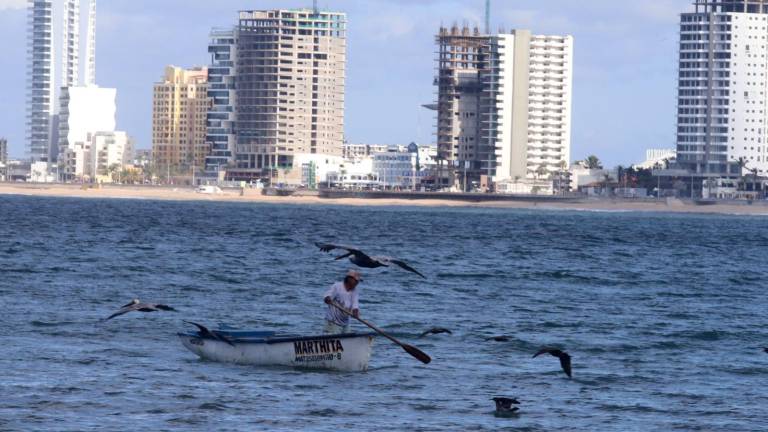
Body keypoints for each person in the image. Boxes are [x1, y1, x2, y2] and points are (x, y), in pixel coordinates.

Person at [323, 270, 362, 334]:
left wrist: (355, 313)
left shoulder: (354, 291)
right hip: (333, 322)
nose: (357, 283)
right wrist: (328, 299)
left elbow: (355, 304)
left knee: (348, 339)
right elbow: (327, 296)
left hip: (345, 323)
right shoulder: (337, 286)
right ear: (349, 279)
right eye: (356, 281)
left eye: (358, 281)